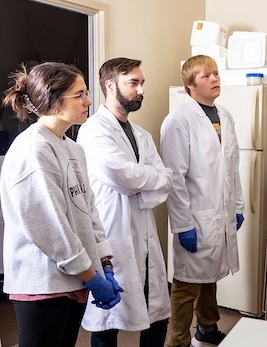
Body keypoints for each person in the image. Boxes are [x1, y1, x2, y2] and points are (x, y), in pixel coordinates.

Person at [0, 62, 123, 346]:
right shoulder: (33, 148)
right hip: (42, 282)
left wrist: (104, 263)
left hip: (75, 278)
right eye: (79, 95)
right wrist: (92, 277)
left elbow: (88, 211)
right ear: (54, 101)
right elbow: (50, 227)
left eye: (87, 92)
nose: (89, 101)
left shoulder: (72, 148)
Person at [76, 57, 172, 347]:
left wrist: (140, 185)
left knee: (158, 314)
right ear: (110, 85)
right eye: (133, 83)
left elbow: (165, 179)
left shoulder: (142, 135)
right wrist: (145, 181)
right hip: (112, 233)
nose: (141, 90)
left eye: (142, 83)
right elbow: (121, 175)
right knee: (107, 324)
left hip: (142, 232)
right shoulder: (93, 130)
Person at [160, 55, 245, 347]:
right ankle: (177, 340)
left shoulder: (225, 116)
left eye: (216, 73)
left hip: (220, 212)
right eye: (207, 75)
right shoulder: (178, 120)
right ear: (189, 85)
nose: (215, 79)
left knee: (211, 275)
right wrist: (183, 225)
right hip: (195, 216)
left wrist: (237, 207)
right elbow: (174, 177)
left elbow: (232, 167)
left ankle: (207, 329)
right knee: (186, 284)